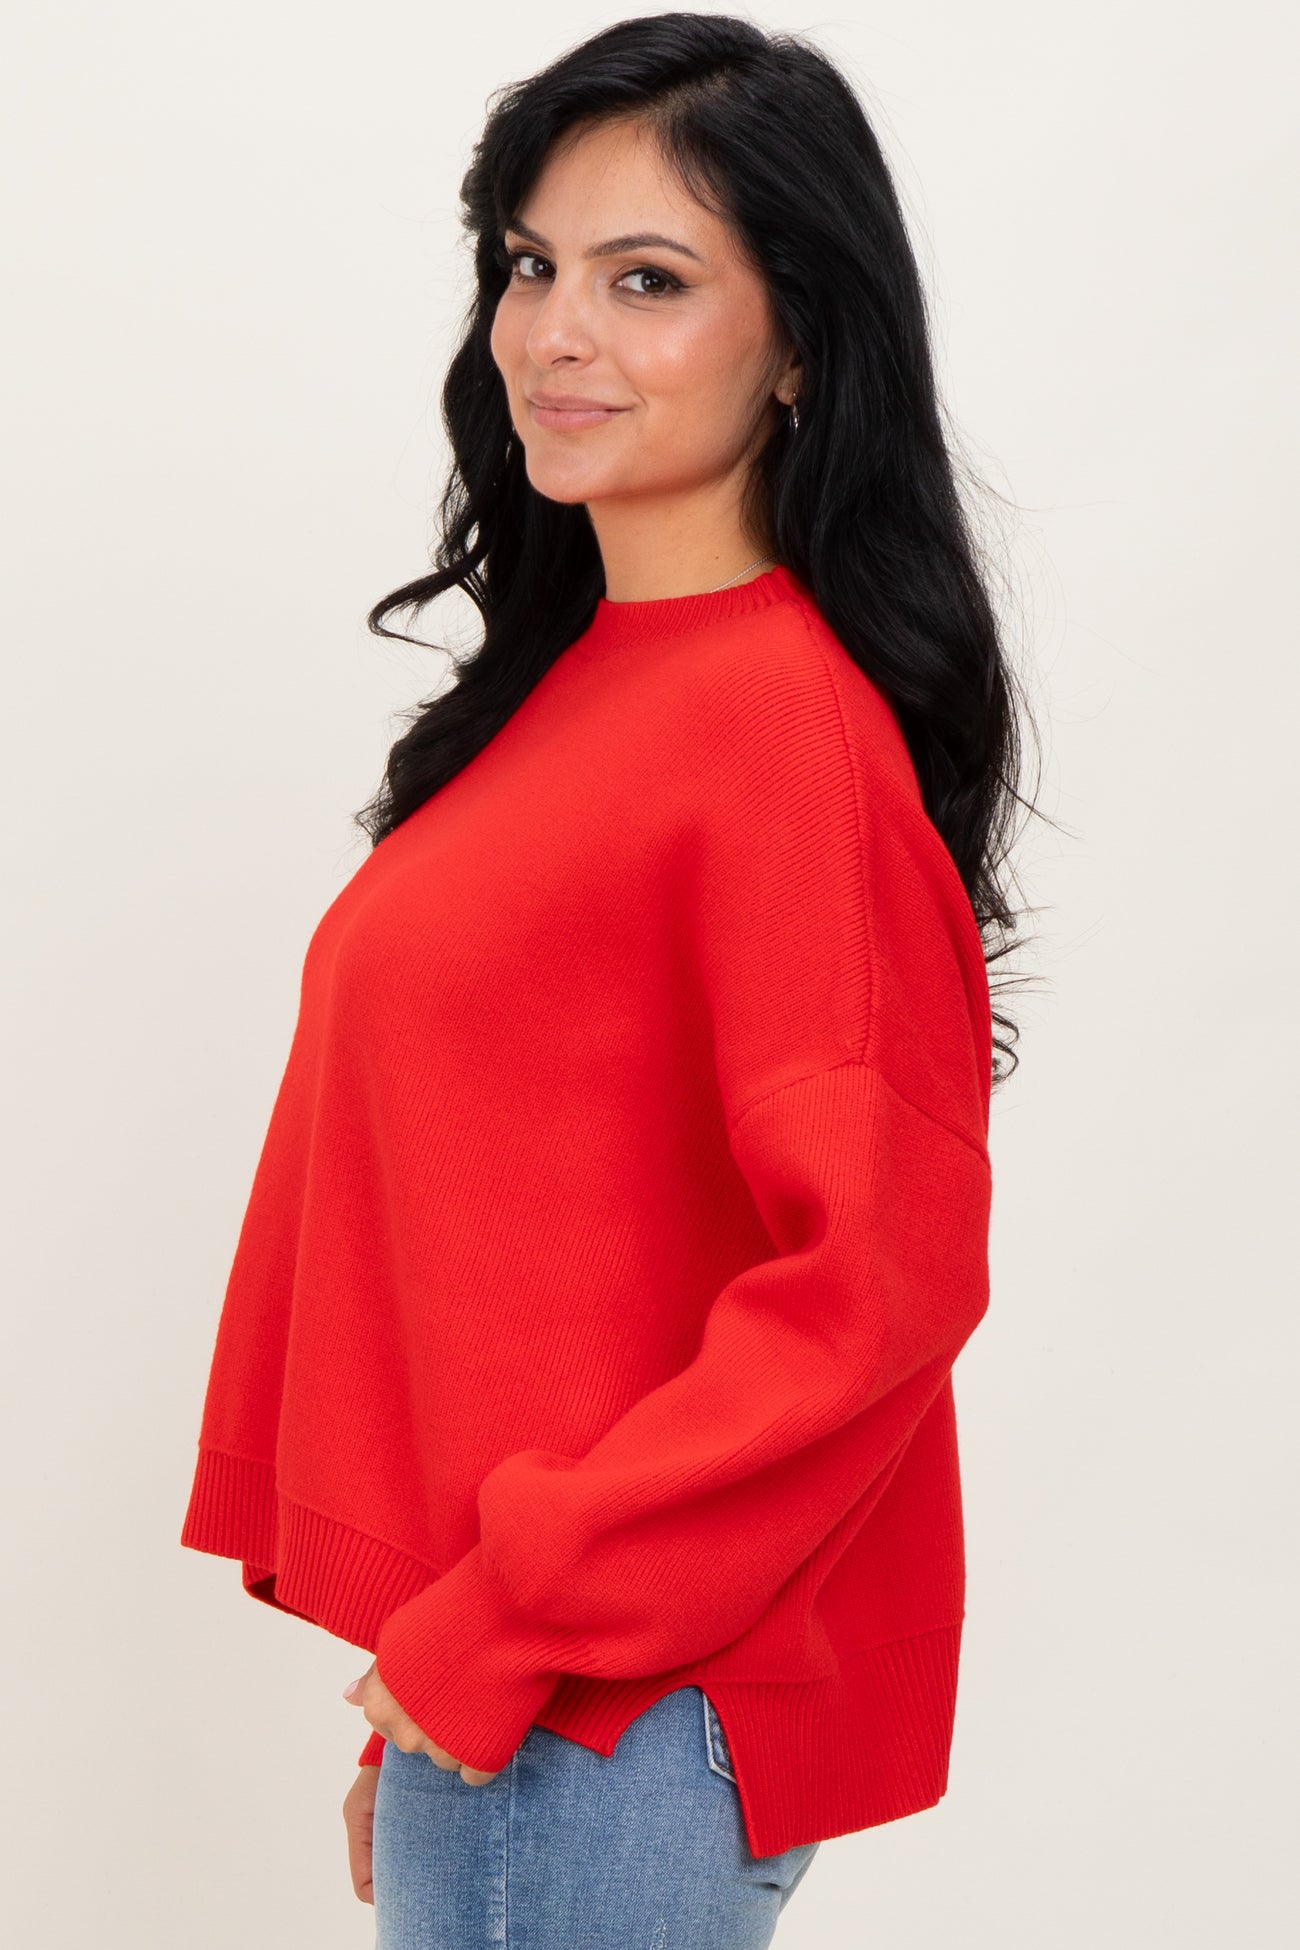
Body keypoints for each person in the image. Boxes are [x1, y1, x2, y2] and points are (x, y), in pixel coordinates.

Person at [180, 13, 1035, 1946]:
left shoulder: (783, 732)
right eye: (529, 264)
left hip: (616, 1709)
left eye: (647, 280)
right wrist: (457, 1655)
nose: (554, 332)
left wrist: (509, 1621)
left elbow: (876, 1282)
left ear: (802, 340)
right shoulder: (572, 689)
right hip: (539, 1702)